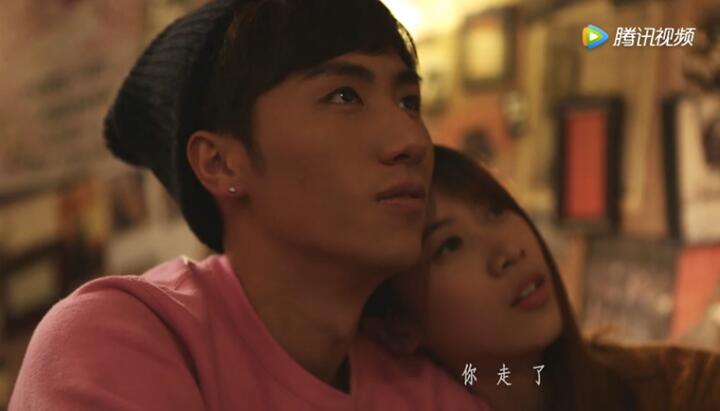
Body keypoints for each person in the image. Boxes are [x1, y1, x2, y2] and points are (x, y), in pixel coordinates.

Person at [9, 2, 488, 410]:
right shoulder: (119, 342)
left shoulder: (419, 381)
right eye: (345, 95)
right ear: (220, 164)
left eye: (409, 102)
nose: (412, 141)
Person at [364, 145, 720, 411]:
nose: (508, 251)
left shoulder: (683, 388)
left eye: (495, 210)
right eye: (451, 245)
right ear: (398, 328)